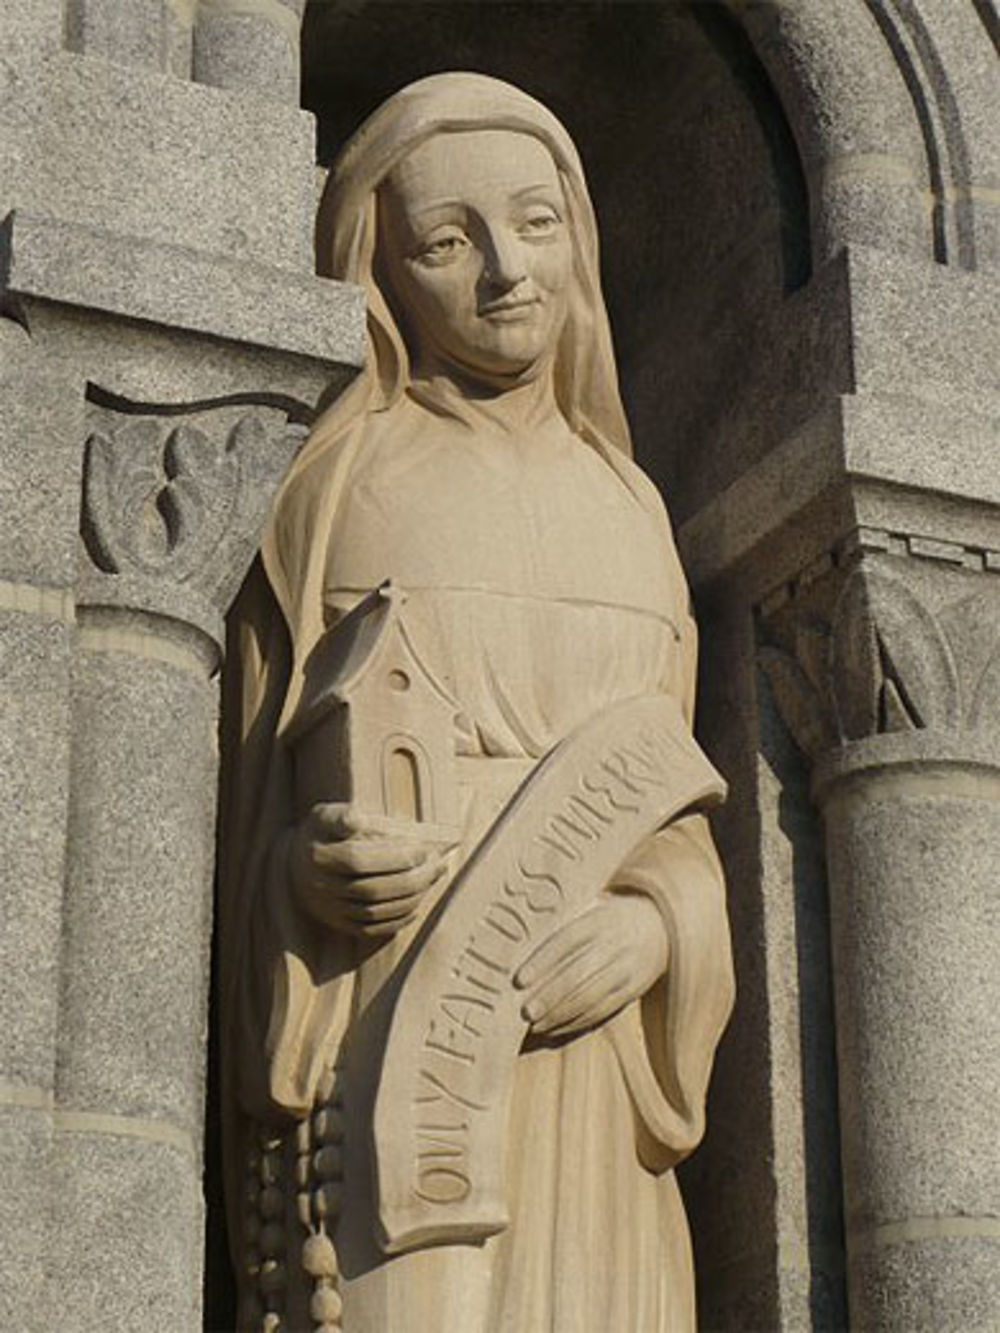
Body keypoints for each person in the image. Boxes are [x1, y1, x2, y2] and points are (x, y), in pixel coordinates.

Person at [220, 72, 734, 1333]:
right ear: (381, 270)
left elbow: (678, 822)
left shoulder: (634, 513)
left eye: (538, 223)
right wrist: (302, 880)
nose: (507, 271)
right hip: (393, 1033)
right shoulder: (325, 492)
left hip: (595, 1060)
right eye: (448, 242)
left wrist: (657, 937)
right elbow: (224, 819)